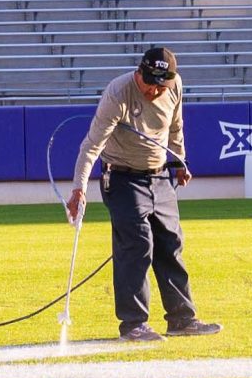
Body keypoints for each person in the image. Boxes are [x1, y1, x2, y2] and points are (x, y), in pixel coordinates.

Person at [66, 46, 221, 343]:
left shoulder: (174, 87)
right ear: (139, 73)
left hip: (160, 175)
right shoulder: (118, 93)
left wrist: (179, 163)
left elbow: (175, 128)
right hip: (122, 177)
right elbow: (92, 145)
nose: (153, 89)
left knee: (171, 243)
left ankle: (182, 318)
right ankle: (133, 324)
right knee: (137, 245)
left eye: (160, 84)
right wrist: (79, 188)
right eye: (149, 81)